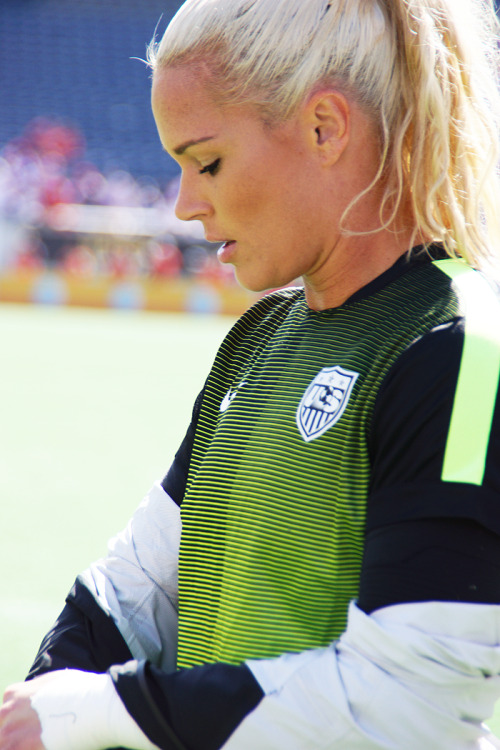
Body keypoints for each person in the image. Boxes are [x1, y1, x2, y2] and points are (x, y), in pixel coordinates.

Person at [2, 0, 500, 747]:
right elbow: (131, 594)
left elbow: (409, 702)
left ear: (325, 128)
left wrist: (99, 711)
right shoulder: (262, 334)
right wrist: (42, 704)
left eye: (207, 162)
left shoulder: (471, 353)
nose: (185, 205)